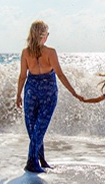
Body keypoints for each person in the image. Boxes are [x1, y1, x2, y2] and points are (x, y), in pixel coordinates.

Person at [16, 20, 82, 173]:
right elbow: (60, 74)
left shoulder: (26, 52)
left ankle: (40, 160)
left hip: (31, 91)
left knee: (35, 128)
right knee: (38, 128)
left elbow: (22, 76)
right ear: (44, 35)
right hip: (47, 92)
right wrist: (74, 92)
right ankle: (32, 162)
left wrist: (18, 94)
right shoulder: (50, 52)